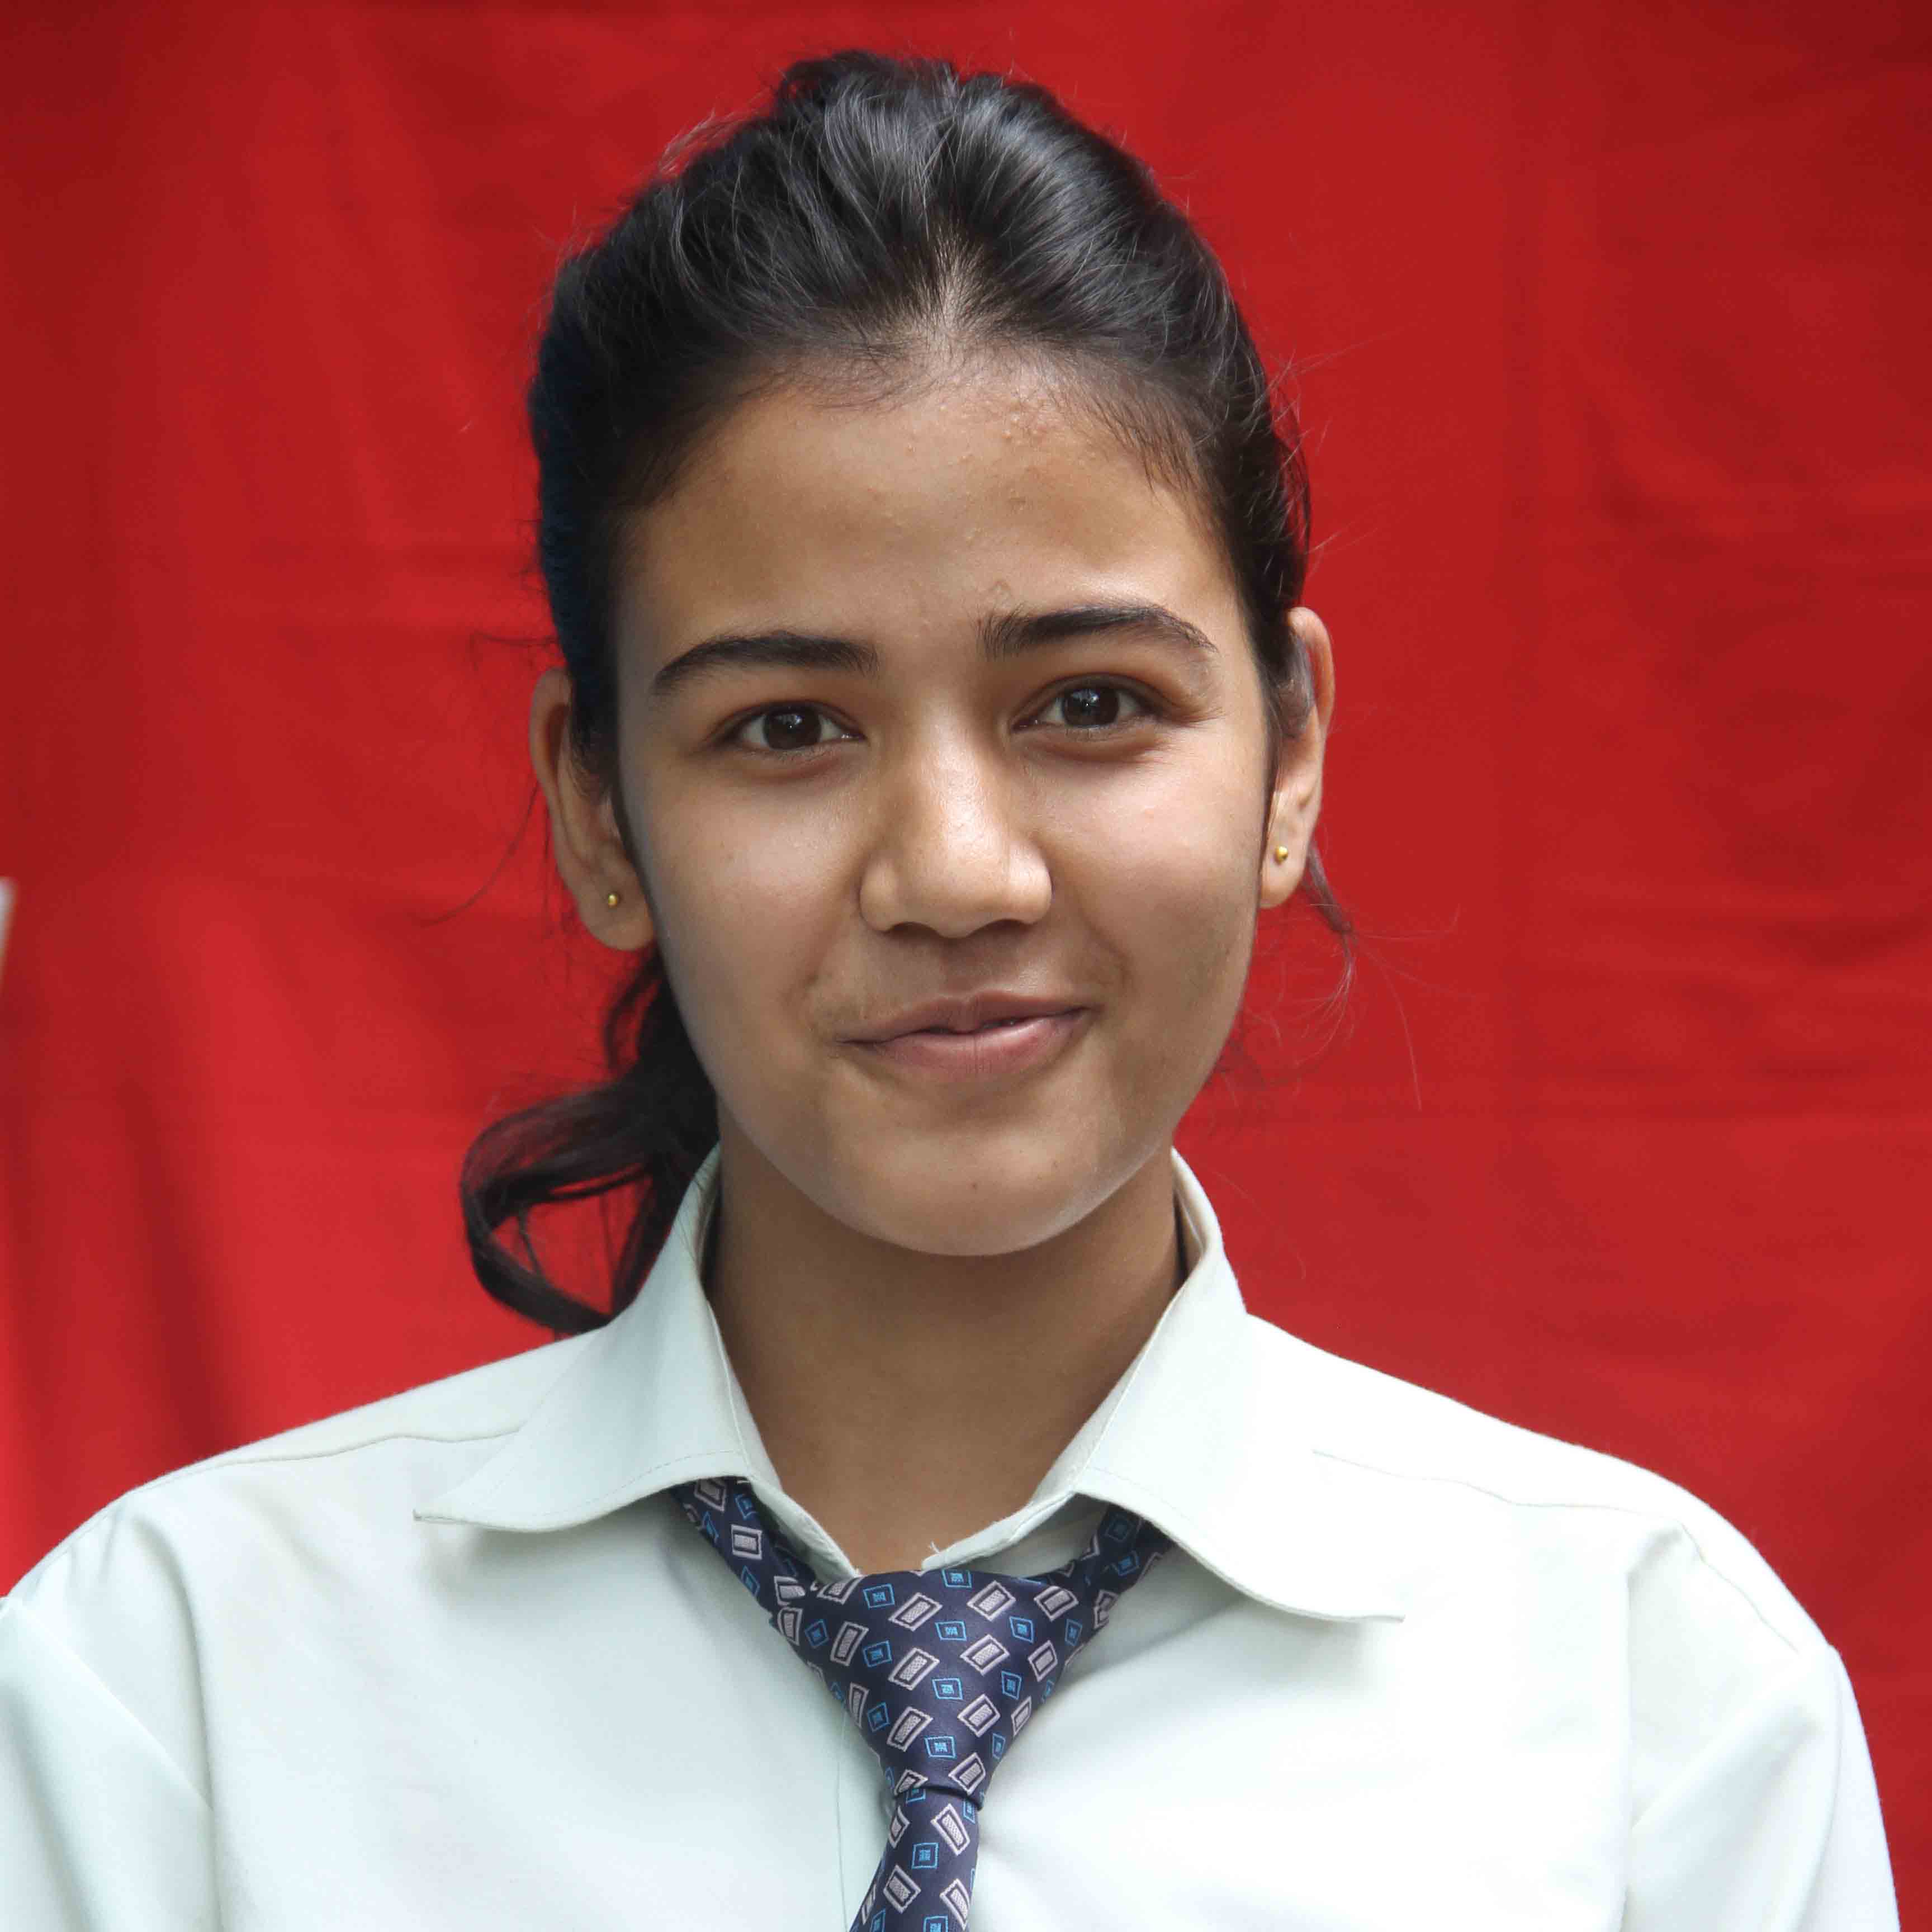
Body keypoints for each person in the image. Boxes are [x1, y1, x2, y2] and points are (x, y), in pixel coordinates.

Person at [0, 50, 1898, 1930]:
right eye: (788, 727)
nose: (958, 876)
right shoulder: (170, 1706)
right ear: (597, 803)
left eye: (1092, 703)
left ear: (1291, 752)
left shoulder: (1657, 1715)